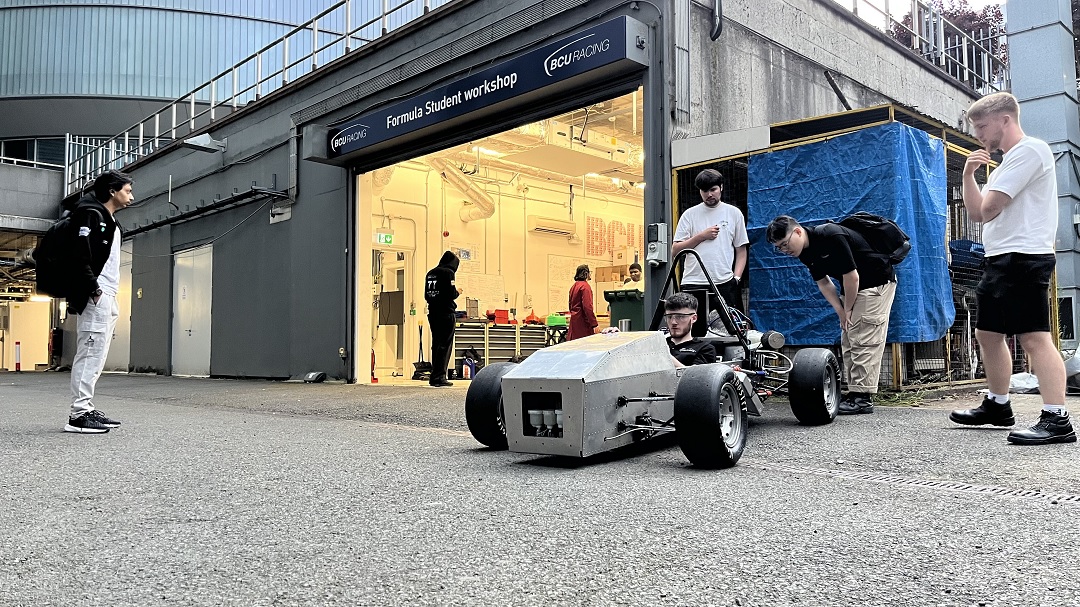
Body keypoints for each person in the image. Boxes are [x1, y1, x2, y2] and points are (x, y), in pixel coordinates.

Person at [948, 92, 1075, 445]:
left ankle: (1057, 419)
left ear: (1005, 120)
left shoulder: (1030, 151)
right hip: (1000, 257)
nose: (978, 135)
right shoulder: (1004, 165)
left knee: (1034, 337)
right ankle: (998, 406)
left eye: (982, 126)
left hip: (1024, 257)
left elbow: (989, 209)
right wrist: (969, 174)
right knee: (987, 334)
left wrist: (983, 191)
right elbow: (976, 213)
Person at [766, 214, 897, 415]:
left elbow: (852, 277)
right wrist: (841, 310)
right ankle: (855, 393)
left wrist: (849, 309)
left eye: (785, 243)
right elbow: (824, 282)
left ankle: (863, 398)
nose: (785, 250)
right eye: (779, 248)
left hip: (875, 282)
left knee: (864, 337)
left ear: (798, 231)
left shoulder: (830, 235)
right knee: (849, 338)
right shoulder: (804, 252)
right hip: (853, 289)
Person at [64, 170, 134, 434]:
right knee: (90, 352)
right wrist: (93, 289)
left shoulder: (109, 219)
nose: (131, 196)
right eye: (127, 190)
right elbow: (77, 255)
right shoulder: (89, 214)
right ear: (112, 191)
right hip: (98, 292)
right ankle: (78, 415)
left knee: (98, 353)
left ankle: (86, 408)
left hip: (108, 293)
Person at [672, 169, 749, 337]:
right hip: (693, 281)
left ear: (721, 187)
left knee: (733, 333)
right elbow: (675, 250)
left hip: (724, 282)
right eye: (704, 191)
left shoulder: (733, 213)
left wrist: (736, 278)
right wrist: (701, 236)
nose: (709, 194)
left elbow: (741, 250)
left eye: (713, 189)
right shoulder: (689, 215)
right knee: (692, 334)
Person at [425, 251, 461, 387]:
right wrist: (458, 291)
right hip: (446, 313)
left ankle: (435, 376)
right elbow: (451, 293)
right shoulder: (448, 273)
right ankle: (440, 377)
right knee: (445, 345)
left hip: (433, 313)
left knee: (436, 344)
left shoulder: (430, 273)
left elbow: (427, 295)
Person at [663, 292, 717, 367]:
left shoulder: (705, 349)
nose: (673, 322)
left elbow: (695, 376)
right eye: (669, 317)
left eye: (680, 317)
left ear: (693, 318)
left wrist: (665, 356)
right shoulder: (660, 344)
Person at [567, 264, 597, 340]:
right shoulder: (585, 287)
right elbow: (587, 307)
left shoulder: (573, 286)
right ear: (586, 274)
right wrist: (594, 324)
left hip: (574, 322)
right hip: (583, 324)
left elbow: (570, 305)